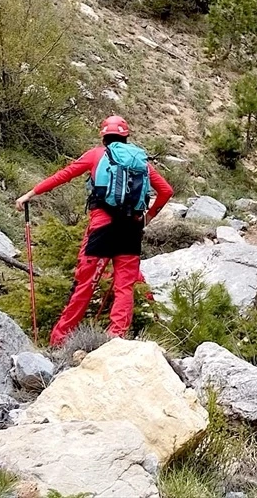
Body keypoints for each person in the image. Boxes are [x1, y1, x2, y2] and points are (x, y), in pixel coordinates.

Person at [15, 116, 173, 346]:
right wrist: (147, 218)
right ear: (126, 136)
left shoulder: (96, 155)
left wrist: (30, 194)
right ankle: (116, 337)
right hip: (131, 230)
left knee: (85, 285)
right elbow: (166, 191)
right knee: (125, 287)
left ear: (103, 136)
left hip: (102, 227)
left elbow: (64, 175)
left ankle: (59, 340)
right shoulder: (140, 161)